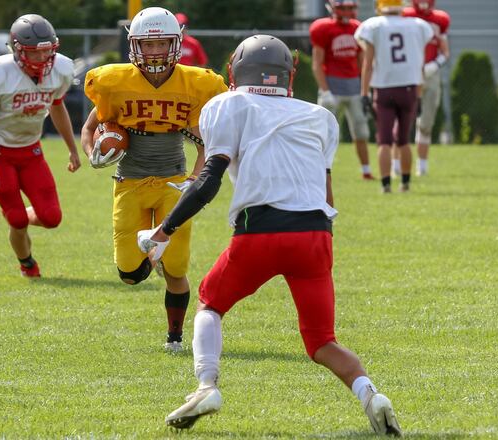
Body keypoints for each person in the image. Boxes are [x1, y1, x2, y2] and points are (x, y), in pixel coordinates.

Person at [137, 35, 402, 436]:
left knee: (210, 304)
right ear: (289, 75)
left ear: (233, 71)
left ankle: (206, 386)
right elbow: (326, 194)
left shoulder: (227, 104)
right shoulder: (319, 116)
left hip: (260, 231)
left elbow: (209, 180)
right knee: (321, 341)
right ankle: (371, 394)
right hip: (315, 235)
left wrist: (164, 230)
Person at [80, 7, 227, 352]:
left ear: (177, 44)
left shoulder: (196, 84)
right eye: (149, 45)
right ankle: (150, 259)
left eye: (163, 43)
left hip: (173, 183)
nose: (156, 51)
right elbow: (89, 128)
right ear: (135, 47)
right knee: (129, 273)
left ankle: (175, 337)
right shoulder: (113, 83)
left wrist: (196, 177)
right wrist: (92, 154)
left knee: (176, 269)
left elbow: (207, 141)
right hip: (129, 181)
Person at [0, 14, 81, 278]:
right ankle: (28, 264)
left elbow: (57, 107)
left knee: (52, 218)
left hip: (31, 151)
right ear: (18, 51)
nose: (43, 59)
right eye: (35, 53)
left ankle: (21, 212)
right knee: (17, 221)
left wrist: (72, 148)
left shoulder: (60, 70)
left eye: (47, 52)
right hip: (0, 152)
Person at [355, 0, 433, 193]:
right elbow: (419, 64)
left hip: (384, 88)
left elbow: (368, 63)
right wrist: (420, 94)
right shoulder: (417, 25)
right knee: (404, 140)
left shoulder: (374, 25)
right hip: (409, 88)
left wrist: (364, 93)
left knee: (384, 141)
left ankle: (386, 185)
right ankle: (405, 183)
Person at [310, 0, 374, 180]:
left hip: (354, 88)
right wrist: (325, 90)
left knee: (361, 131)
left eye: (350, 8)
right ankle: (318, 171)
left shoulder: (358, 28)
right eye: (343, 8)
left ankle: (366, 170)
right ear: (333, 8)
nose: (347, 12)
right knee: (323, 133)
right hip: (332, 88)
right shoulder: (323, 28)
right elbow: (317, 64)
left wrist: (365, 90)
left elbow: (363, 63)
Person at [403, 0, 451, 176]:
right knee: (401, 122)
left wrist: (435, 65)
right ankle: (395, 165)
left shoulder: (440, 19)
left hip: (430, 74)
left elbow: (445, 52)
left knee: (426, 123)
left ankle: (421, 167)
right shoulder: (404, 16)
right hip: (407, 74)